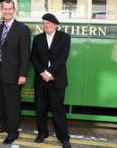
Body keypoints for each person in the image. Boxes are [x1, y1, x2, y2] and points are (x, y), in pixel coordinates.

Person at [0, 0, 30, 144]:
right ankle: (4, 126)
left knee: (12, 104)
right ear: (2, 10)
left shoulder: (22, 29)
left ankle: (13, 132)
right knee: (1, 101)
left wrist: (22, 74)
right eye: (5, 9)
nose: (7, 11)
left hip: (14, 73)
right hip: (0, 69)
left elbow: (25, 54)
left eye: (10, 9)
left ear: (14, 10)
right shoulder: (0, 28)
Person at [31, 13, 71, 148]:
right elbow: (34, 58)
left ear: (55, 24)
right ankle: (42, 133)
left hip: (57, 79)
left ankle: (63, 137)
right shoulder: (37, 39)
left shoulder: (64, 38)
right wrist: (43, 72)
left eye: (48, 23)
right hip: (41, 79)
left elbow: (62, 58)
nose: (46, 26)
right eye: (44, 23)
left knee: (58, 109)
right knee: (40, 108)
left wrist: (49, 72)